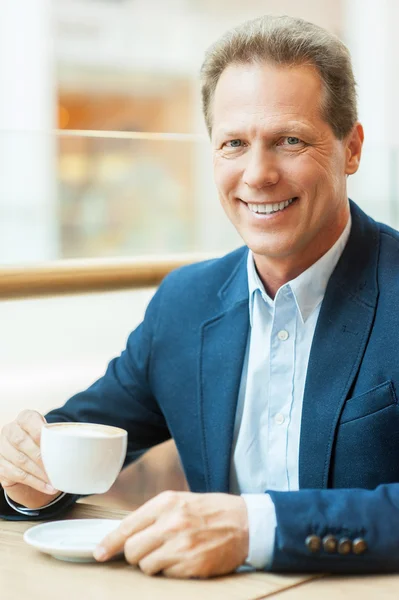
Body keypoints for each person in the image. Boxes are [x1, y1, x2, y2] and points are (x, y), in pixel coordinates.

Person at [1, 14, 399, 577]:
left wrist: (253, 529)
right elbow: (65, 444)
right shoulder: (184, 305)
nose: (257, 174)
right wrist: (26, 475)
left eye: (289, 141)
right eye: (234, 143)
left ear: (351, 149)